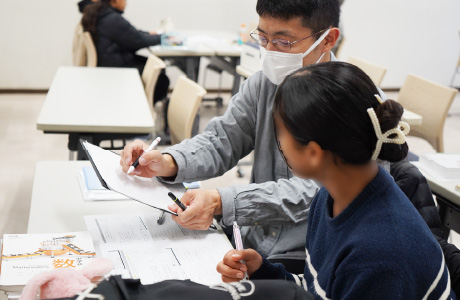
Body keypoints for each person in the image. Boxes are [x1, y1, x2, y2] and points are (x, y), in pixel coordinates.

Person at [120, 0, 341, 273]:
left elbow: (321, 190)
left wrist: (223, 201)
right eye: (263, 38)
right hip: (250, 242)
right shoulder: (264, 84)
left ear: (327, 39)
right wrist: (168, 161)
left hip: (309, 259)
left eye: (284, 43)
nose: (269, 52)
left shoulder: (351, 103)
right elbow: (221, 139)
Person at [216, 62, 454, 299]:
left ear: (313, 153)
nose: (277, 142)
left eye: (280, 132)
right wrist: (263, 272)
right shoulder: (329, 197)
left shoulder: (378, 256)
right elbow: (318, 289)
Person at [81, 0, 169, 104]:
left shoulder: (100, 14)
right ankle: (142, 106)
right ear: (114, 1)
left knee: (151, 65)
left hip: (108, 62)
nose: (126, 3)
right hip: (116, 68)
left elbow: (131, 34)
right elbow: (138, 40)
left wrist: (150, 34)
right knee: (162, 79)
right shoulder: (112, 19)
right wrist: (164, 38)